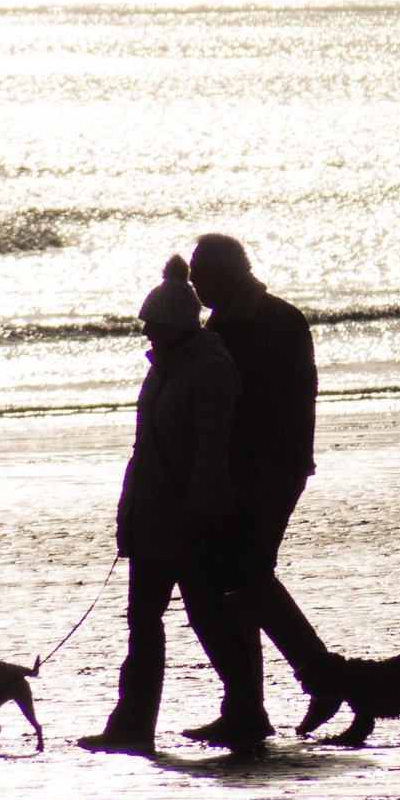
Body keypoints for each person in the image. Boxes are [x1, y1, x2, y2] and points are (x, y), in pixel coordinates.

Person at [76, 258, 260, 755]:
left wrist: (199, 511)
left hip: (192, 521)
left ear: (176, 326)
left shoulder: (210, 370)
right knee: (149, 619)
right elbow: (145, 453)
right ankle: (134, 723)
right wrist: (129, 516)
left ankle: (242, 712)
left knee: (207, 618)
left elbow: (212, 447)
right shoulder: (165, 371)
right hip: (156, 521)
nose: (148, 334)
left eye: (154, 326)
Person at [187, 233, 332, 747]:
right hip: (252, 467)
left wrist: (263, 467)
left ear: (228, 273)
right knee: (236, 582)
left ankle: (316, 673)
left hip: (269, 469)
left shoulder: (270, 321)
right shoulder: (229, 319)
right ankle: (250, 703)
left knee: (243, 576)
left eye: (201, 276)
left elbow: (284, 406)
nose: (195, 285)